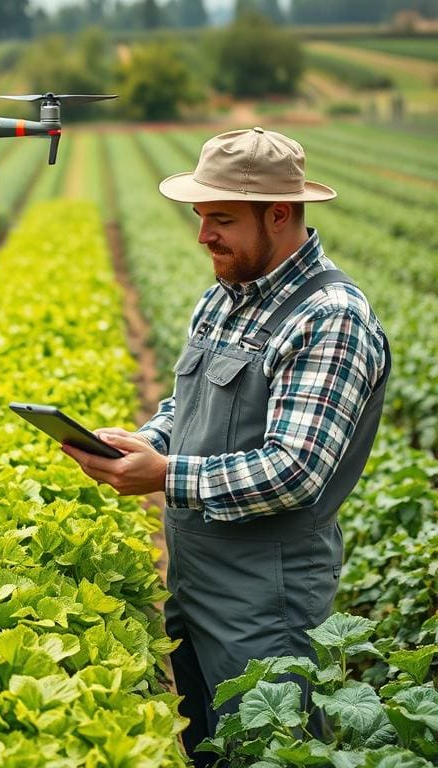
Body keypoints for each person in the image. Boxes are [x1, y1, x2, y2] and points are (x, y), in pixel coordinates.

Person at [61, 127, 390, 763]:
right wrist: (141, 442)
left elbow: (295, 470)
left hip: (269, 602)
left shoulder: (329, 317)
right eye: (201, 216)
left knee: (269, 751)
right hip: (195, 584)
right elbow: (186, 408)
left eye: (222, 218)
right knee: (210, 752)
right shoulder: (223, 299)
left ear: (280, 214)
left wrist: (164, 475)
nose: (203, 234)